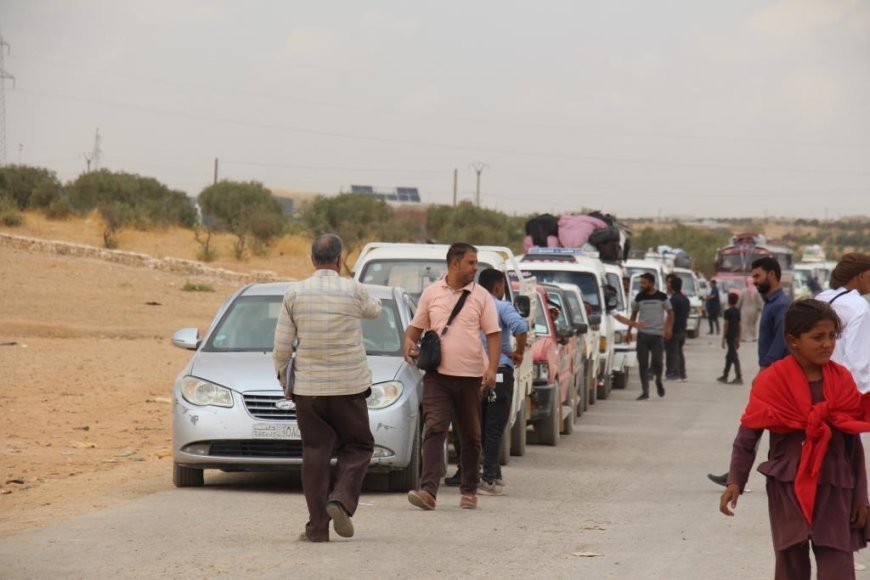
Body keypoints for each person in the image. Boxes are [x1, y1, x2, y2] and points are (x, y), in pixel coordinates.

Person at [719, 300, 870, 579]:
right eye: (817, 337)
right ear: (793, 341)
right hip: (787, 486)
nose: (827, 344)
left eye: (832, 337)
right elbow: (747, 436)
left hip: (836, 487)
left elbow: (854, 445)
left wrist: (862, 497)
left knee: (838, 567)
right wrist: (735, 481)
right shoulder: (772, 381)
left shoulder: (842, 381)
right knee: (790, 565)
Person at [272, 234, 382, 543]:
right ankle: (342, 499)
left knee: (315, 452)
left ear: (312, 259)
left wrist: (285, 380)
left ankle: (317, 528)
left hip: (309, 389)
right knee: (359, 446)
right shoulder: (354, 290)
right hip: (350, 387)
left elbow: (281, 346)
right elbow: (375, 311)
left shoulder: (295, 293)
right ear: (340, 259)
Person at [403, 243, 500, 511]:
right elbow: (415, 327)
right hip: (438, 376)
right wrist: (408, 342)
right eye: (471, 262)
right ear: (454, 264)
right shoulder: (432, 293)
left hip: (471, 377)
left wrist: (491, 368)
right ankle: (428, 491)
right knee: (434, 429)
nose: (475, 267)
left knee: (470, 435)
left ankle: (469, 490)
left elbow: (493, 334)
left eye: (476, 262)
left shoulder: (481, 296)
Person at [708, 256, 792, 487]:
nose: (754, 281)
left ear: (772, 275)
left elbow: (781, 342)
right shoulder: (772, 303)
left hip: (775, 376)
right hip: (771, 374)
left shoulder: (781, 305)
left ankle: (738, 476)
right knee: (753, 429)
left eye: (757, 276)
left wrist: (765, 371)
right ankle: (736, 474)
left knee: (754, 427)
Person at [476, 268, 528, 495]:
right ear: (498, 287)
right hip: (499, 372)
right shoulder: (502, 306)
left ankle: (493, 473)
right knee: (495, 427)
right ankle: (489, 478)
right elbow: (521, 327)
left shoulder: (472, 305)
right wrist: (519, 353)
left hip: (474, 374)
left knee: (479, 426)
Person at [816, 253, 870, 394]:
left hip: (818, 383)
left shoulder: (821, 298)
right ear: (860, 276)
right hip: (845, 391)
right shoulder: (859, 306)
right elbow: (857, 362)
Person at [616, 272, 673, 400]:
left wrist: (668, 328)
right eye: (641, 283)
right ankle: (645, 391)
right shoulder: (639, 297)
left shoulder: (662, 297)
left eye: (644, 283)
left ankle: (658, 381)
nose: (642, 285)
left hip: (657, 336)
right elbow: (634, 314)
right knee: (643, 364)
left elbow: (670, 312)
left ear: (652, 283)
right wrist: (629, 330)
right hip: (643, 336)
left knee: (658, 362)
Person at [665, 275, 690, 382]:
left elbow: (671, 315)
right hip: (682, 328)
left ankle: (675, 373)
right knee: (679, 351)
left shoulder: (673, 300)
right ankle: (682, 373)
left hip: (674, 329)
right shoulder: (685, 299)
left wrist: (668, 329)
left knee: (673, 352)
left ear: (672, 286)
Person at [717, 292, 742, 384]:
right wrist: (738, 338)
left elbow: (726, 325)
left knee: (734, 357)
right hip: (735, 336)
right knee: (729, 357)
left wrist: (723, 338)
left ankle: (739, 377)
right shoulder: (737, 311)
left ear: (728, 301)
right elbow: (739, 325)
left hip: (730, 337)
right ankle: (725, 375)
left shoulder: (727, 312)